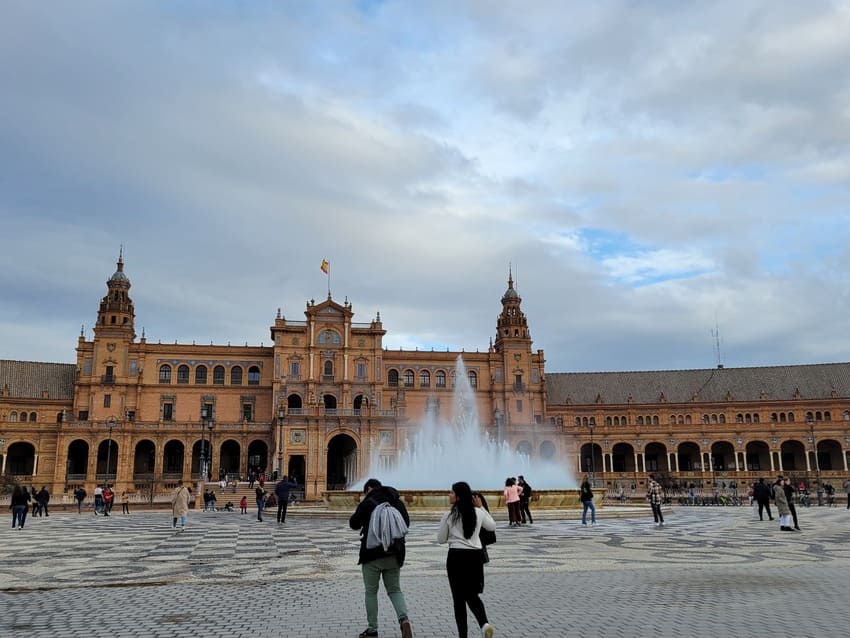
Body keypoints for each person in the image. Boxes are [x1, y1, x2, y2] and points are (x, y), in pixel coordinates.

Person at [348, 478, 413, 638]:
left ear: (369, 489)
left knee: (371, 592)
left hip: (372, 555)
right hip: (394, 553)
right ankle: (403, 620)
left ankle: (372, 630)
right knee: (395, 590)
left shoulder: (368, 502)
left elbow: (353, 524)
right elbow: (406, 523)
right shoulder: (396, 501)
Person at [437, 481, 497, 638]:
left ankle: (463, 635)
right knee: (472, 594)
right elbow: (492, 526)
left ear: (457, 496)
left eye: (451, 492)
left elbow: (441, 539)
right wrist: (481, 507)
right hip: (475, 557)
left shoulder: (449, 515)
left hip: (456, 557)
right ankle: (484, 624)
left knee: (458, 598)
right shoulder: (478, 513)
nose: (449, 495)